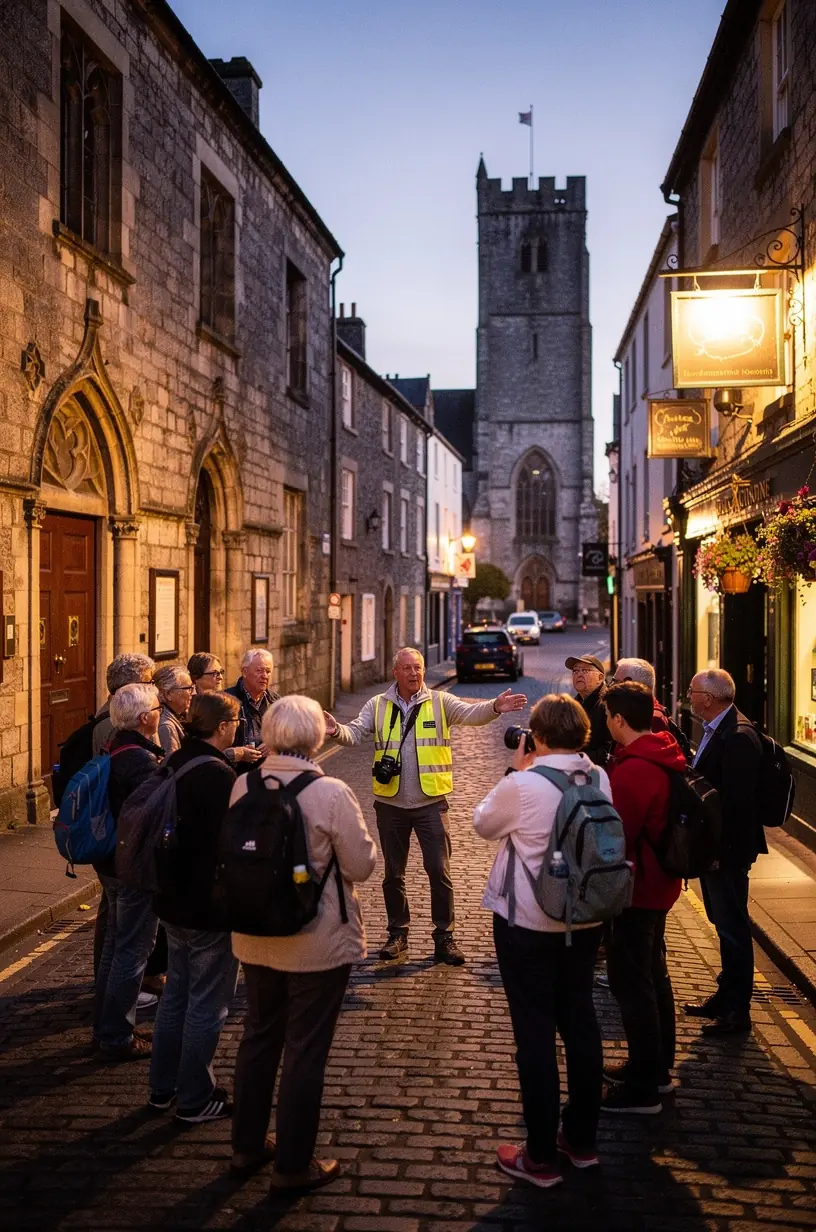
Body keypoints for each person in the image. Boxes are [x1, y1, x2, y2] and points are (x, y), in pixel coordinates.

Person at [230, 695, 377, 1193]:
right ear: (315, 736)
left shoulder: (242, 785)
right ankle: (293, 1166)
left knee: (257, 1039)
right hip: (316, 939)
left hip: (253, 935)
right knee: (305, 1052)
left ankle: (246, 1147)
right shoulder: (329, 791)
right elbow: (359, 866)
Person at [473, 693, 610, 1188]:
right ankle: (581, 1139)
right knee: (580, 1021)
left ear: (538, 736)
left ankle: (538, 1156)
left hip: (528, 923)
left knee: (534, 1034)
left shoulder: (526, 784)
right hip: (585, 919)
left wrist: (514, 770)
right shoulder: (598, 777)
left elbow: (482, 823)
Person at [323, 646, 527, 965]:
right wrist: (335, 729)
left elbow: (471, 714)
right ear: (396, 672)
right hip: (390, 804)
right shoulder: (377, 705)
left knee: (439, 869)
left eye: (418, 667)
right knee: (393, 874)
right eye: (407, 668)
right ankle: (398, 934)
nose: (414, 673)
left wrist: (495, 707)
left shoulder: (440, 702)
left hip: (431, 804)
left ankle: (444, 937)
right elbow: (355, 732)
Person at [148, 692, 241, 1123]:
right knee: (207, 1002)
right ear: (221, 727)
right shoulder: (218, 775)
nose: (238, 726)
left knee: (175, 998)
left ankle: (162, 1089)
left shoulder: (175, 761)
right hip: (206, 905)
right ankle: (194, 1098)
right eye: (235, 721)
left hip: (170, 901)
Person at [601, 682, 685, 1115]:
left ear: (619, 720)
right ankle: (655, 1069)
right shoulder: (660, 750)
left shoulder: (634, 770)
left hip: (638, 889)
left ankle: (643, 1089)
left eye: (608, 717)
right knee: (654, 976)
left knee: (632, 984)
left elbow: (618, 837)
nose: (606, 723)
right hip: (660, 885)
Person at [684, 669, 762, 1036]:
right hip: (716, 850)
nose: (688, 695)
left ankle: (737, 1011)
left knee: (733, 929)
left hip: (727, 852)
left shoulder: (738, 737)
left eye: (692, 690)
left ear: (710, 698)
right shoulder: (719, 728)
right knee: (723, 925)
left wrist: (718, 853)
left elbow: (736, 808)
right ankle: (725, 996)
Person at [94, 682, 163, 1060]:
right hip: (130, 866)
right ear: (145, 718)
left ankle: (107, 1027)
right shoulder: (138, 761)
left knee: (115, 947)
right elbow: (150, 816)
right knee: (133, 950)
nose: (161, 711)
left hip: (110, 864)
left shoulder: (117, 743)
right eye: (157, 707)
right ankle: (116, 1036)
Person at [189, 652, 261, 768]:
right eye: (214, 673)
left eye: (221, 672)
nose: (220, 677)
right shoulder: (191, 707)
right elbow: (197, 751)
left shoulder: (222, 702)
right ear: (196, 678)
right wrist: (235, 753)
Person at [92, 653, 156, 757]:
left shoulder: (114, 712)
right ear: (130, 687)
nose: (152, 688)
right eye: (148, 683)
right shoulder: (121, 720)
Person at [226, 649, 279, 761]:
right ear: (244, 672)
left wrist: (275, 745)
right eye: (259, 671)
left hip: (268, 772)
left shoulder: (276, 702)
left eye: (268, 671)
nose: (265, 676)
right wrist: (239, 754)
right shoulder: (226, 701)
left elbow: (289, 738)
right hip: (237, 773)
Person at [565, 655, 610, 766]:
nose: (579, 674)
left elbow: (609, 751)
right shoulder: (572, 705)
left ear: (600, 678)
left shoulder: (608, 705)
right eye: (575, 670)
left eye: (585, 670)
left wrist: (576, 758)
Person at [154, 665, 195, 756]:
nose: (193, 693)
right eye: (189, 688)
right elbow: (172, 765)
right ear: (168, 694)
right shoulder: (166, 726)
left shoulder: (178, 715)